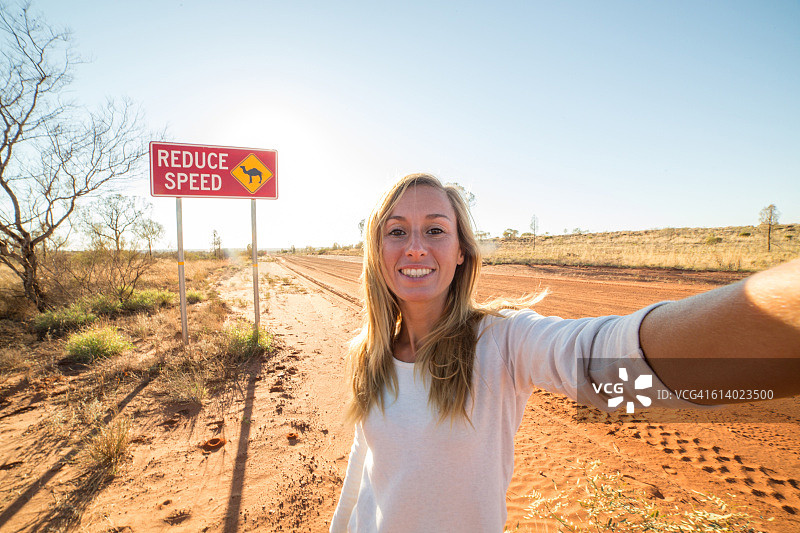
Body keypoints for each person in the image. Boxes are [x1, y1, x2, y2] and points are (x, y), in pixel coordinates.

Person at [329, 173, 800, 533]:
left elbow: (605, 367)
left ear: (460, 253)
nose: (414, 247)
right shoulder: (366, 353)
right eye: (397, 231)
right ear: (377, 249)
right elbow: (365, 462)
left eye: (435, 230)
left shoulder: (502, 342)